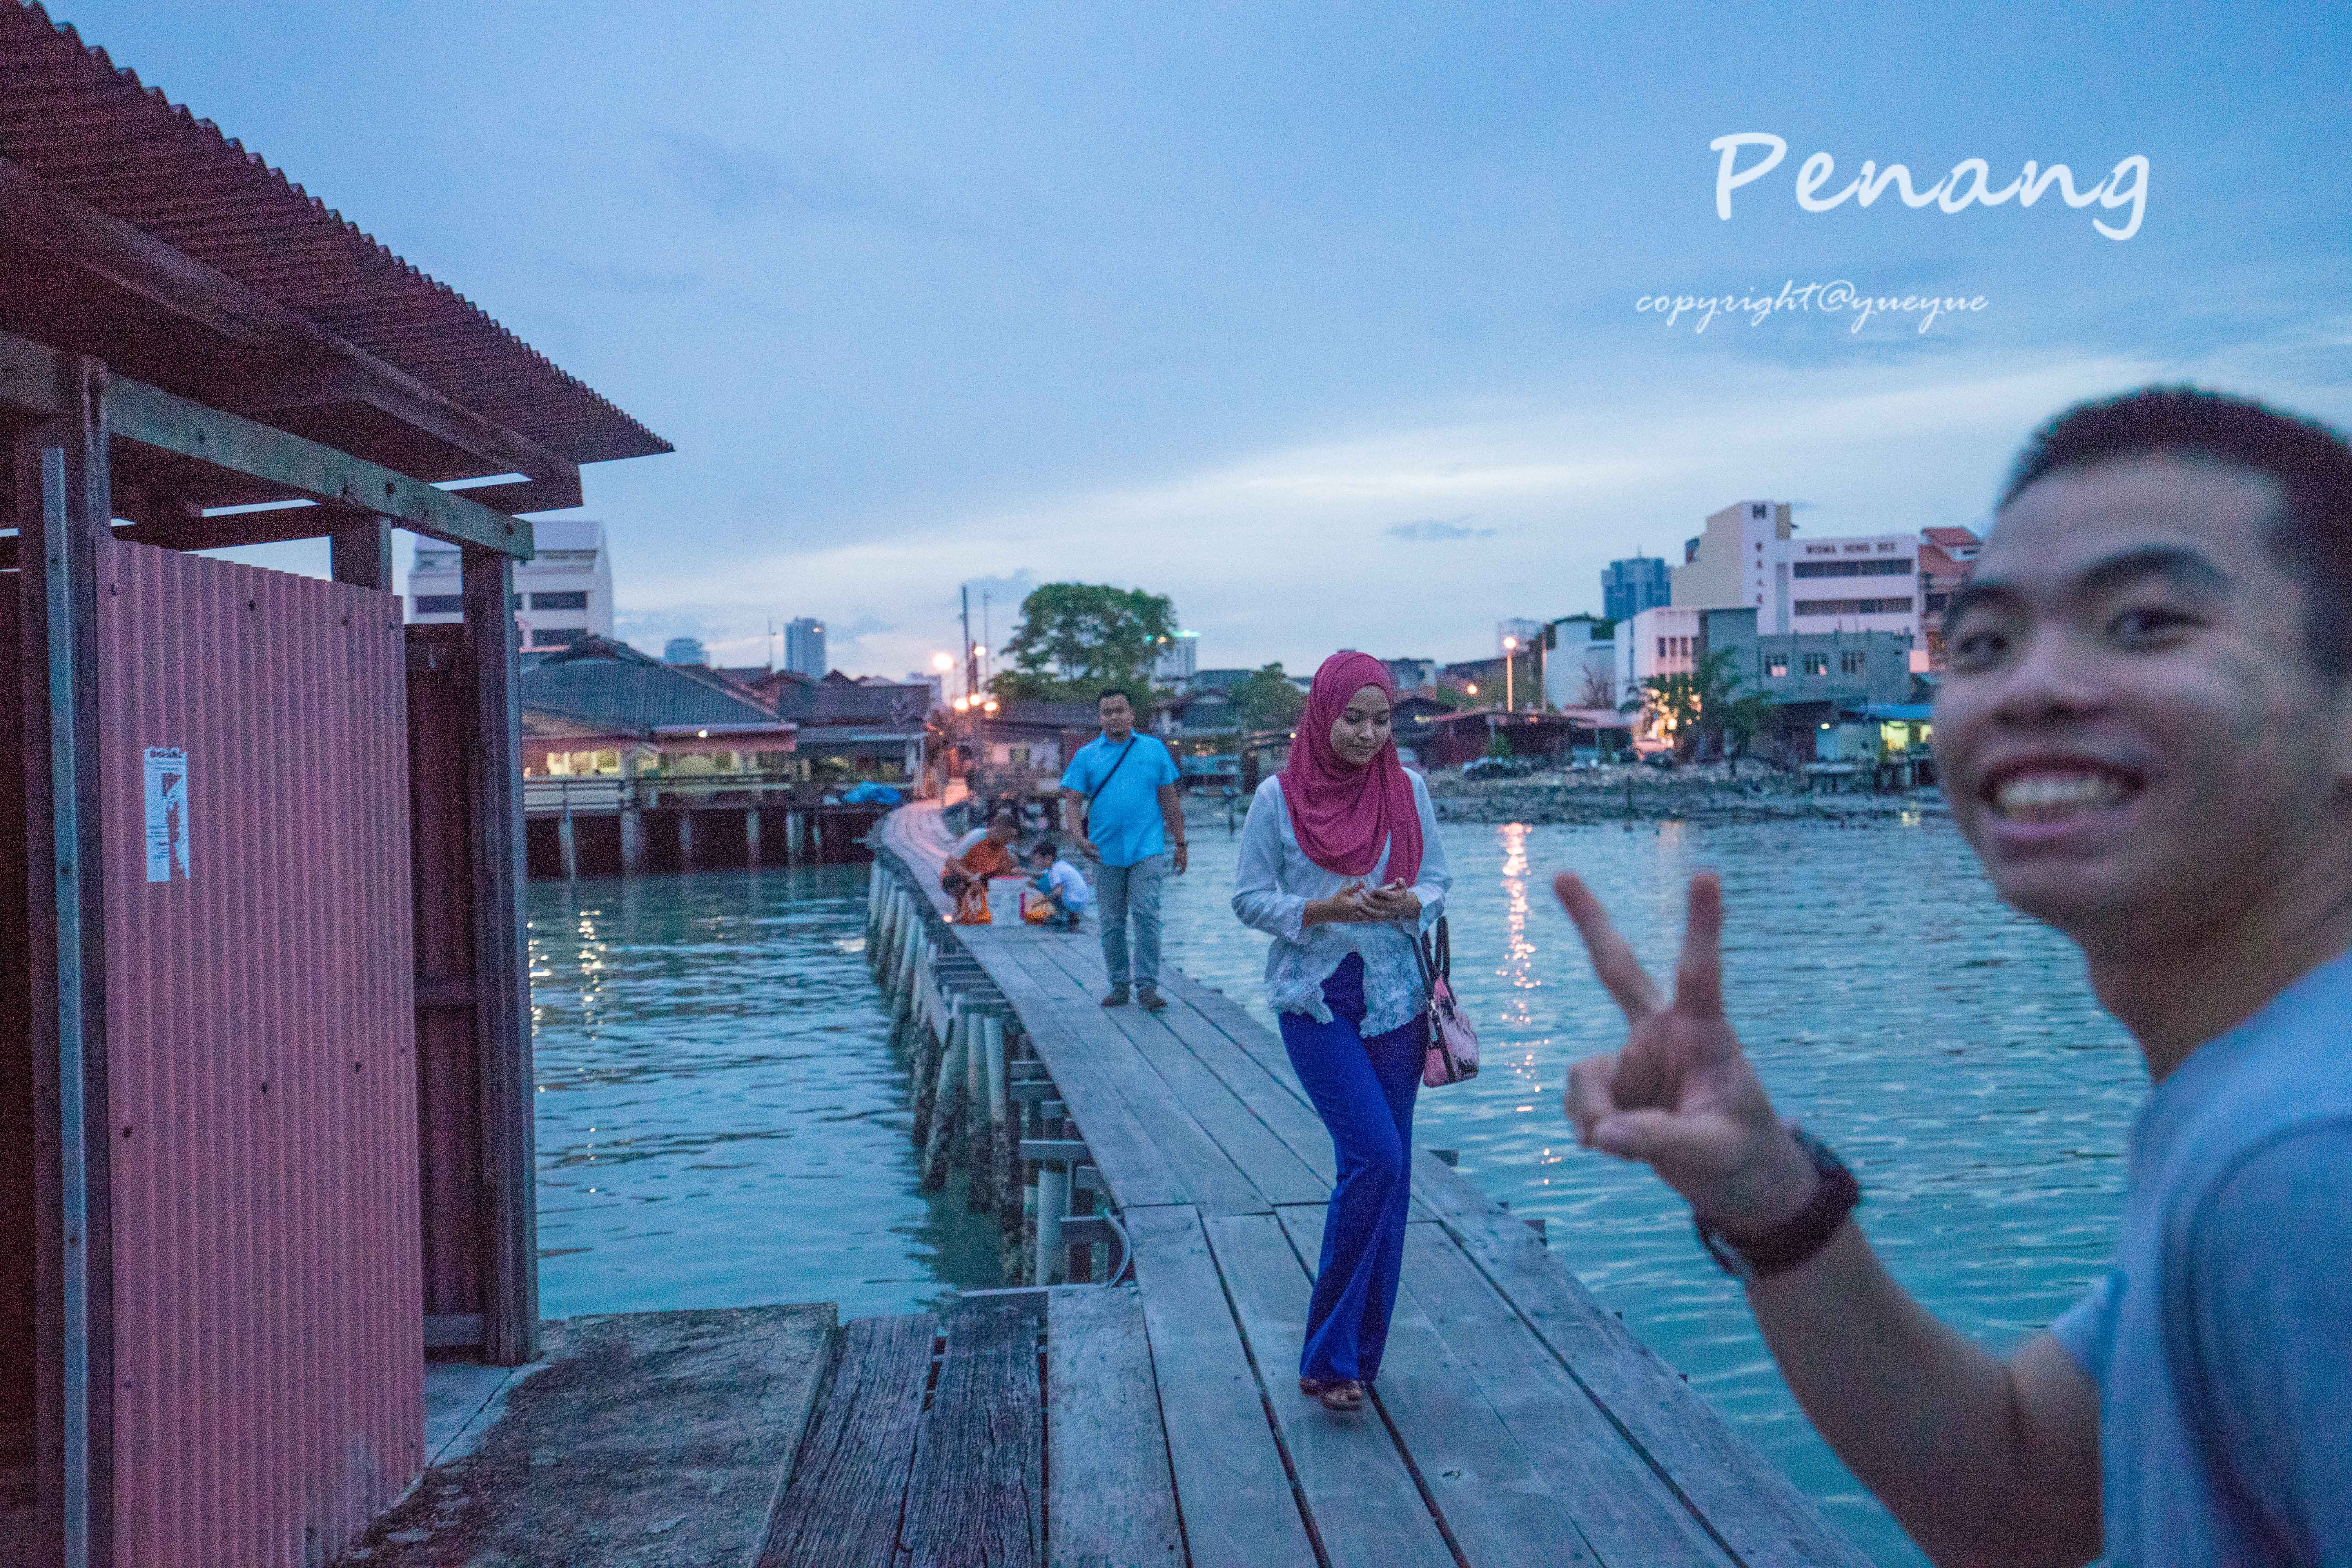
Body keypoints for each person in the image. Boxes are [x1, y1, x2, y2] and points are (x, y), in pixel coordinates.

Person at [1553, 388, 2352, 1567]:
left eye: (2143, 622)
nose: (2030, 687)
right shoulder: (2255, 1116)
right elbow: (2017, 1492)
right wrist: (1771, 1199)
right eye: (1981, 644)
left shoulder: (2304, 1154)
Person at [1233, 652, 1450, 1414]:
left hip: (1397, 1001)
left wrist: (1406, 902)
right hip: (1316, 1000)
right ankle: (1328, 1355)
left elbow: (1439, 881)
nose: (1367, 733)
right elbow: (1249, 898)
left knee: (1392, 1176)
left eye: (1381, 719)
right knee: (1374, 1156)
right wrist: (1322, 910)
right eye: (1352, 718)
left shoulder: (1408, 789)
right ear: (1322, 714)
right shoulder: (1278, 797)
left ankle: (1358, 1358)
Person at [1060, 688, 1185, 1010]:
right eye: (1108, 712)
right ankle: (1119, 985)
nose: (1114, 717)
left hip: (1148, 847)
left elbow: (1170, 799)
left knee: (1146, 914)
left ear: (1131, 714)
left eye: (1120, 710)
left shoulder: (1154, 750)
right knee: (1112, 922)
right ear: (1100, 718)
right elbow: (1072, 802)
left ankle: (1147, 987)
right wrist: (1079, 839)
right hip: (1104, 851)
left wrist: (1180, 843)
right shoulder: (1087, 756)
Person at [941, 809, 1019, 921]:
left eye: (1011, 838)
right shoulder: (978, 836)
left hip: (979, 879)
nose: (1009, 841)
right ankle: (960, 908)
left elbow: (1008, 868)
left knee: (1010, 867)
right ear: (999, 829)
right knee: (963, 886)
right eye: (1007, 838)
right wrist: (971, 877)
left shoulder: (1004, 846)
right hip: (955, 878)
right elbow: (950, 862)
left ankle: (993, 908)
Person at [1025, 840, 1089, 929]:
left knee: (1051, 893)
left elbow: (1058, 890)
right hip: (1081, 901)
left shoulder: (1056, 870)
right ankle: (1071, 916)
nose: (1034, 863)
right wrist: (1026, 874)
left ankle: (1063, 917)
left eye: (1036, 859)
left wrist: (1041, 903)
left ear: (1048, 858)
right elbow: (1042, 876)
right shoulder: (1059, 865)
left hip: (1075, 903)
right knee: (1049, 888)